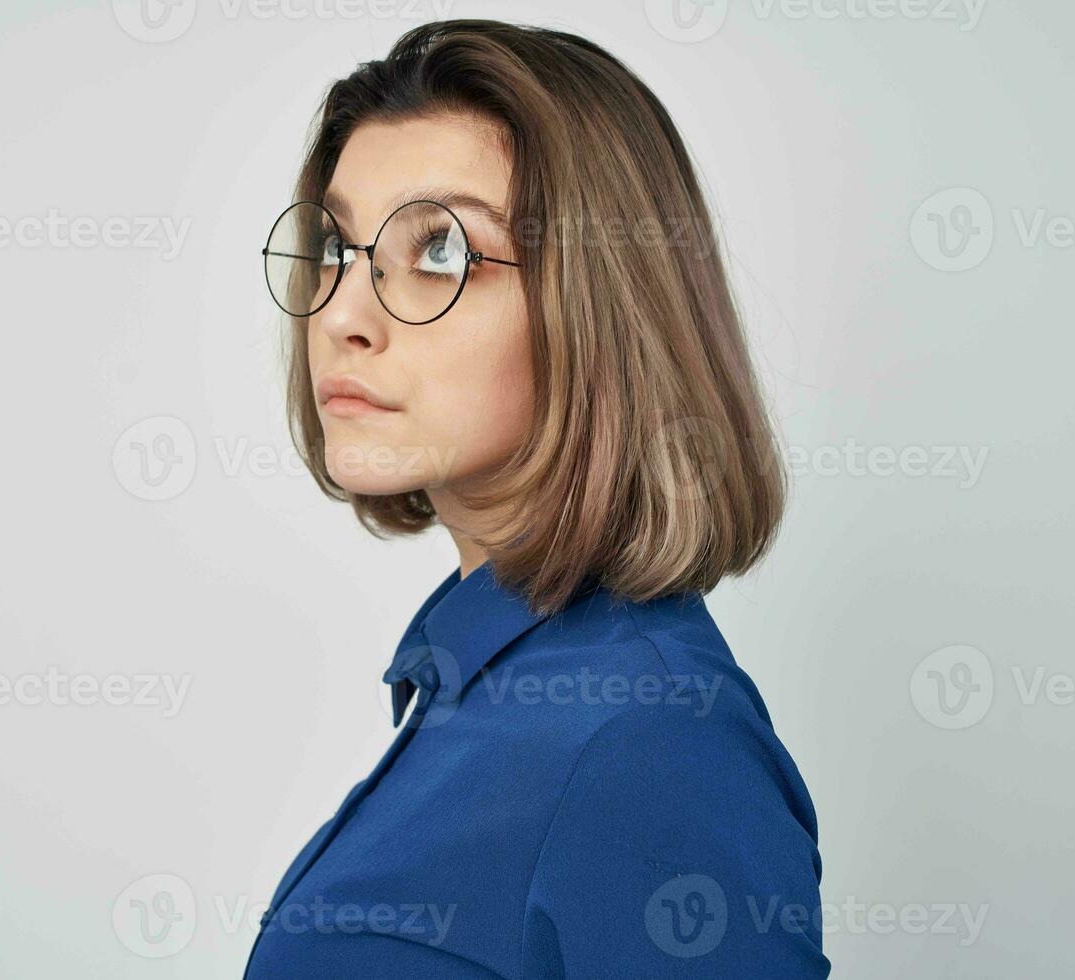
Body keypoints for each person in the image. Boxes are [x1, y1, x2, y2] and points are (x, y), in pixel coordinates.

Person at [246, 18, 829, 978]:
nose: (344, 316)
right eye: (341, 247)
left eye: (441, 251)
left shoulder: (652, 748)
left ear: (598, 309)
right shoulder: (482, 694)